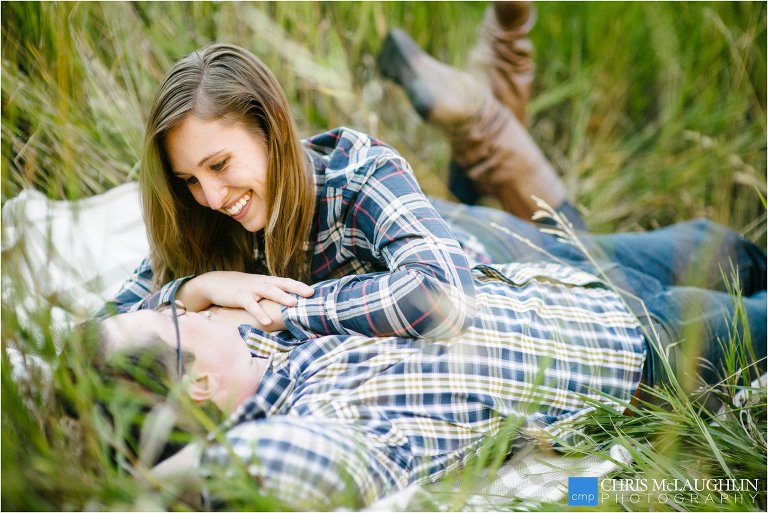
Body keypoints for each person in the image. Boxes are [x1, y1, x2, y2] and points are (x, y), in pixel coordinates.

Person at [97, 238, 766, 509]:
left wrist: (197, 286)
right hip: (651, 351)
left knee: (730, 242)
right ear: (199, 386)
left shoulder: (266, 330)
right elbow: (282, 464)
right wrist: (148, 491)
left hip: (570, 272)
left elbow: (124, 302)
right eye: (171, 317)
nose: (181, 306)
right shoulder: (328, 419)